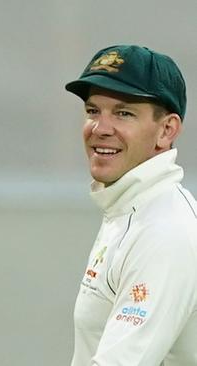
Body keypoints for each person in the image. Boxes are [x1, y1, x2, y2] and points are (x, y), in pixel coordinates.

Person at [65, 44, 197, 365]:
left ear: (167, 130)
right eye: (93, 111)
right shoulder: (127, 209)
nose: (101, 128)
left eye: (124, 113)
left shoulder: (165, 230)